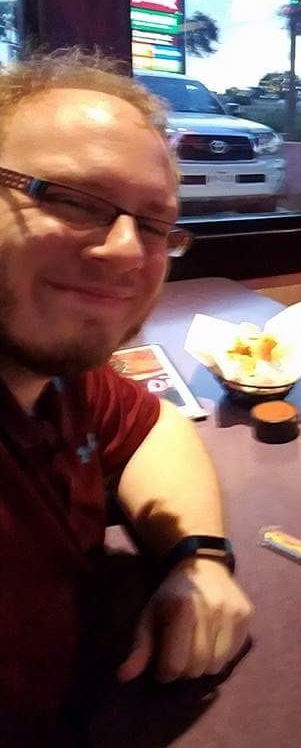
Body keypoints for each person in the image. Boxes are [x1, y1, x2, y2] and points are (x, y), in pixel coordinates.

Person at [0, 50, 253, 743]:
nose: (126, 252)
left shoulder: (60, 377)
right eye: (73, 199)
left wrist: (199, 558)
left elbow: (154, 427)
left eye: (153, 225)